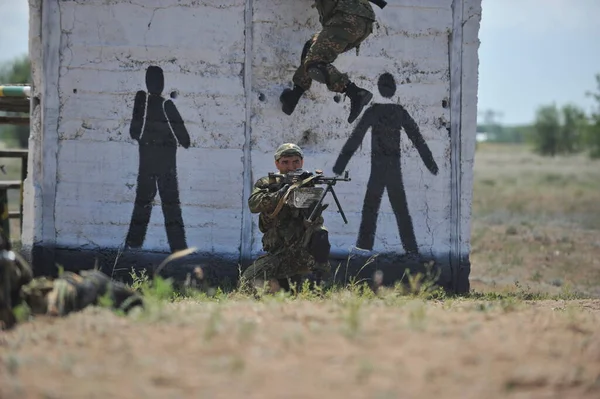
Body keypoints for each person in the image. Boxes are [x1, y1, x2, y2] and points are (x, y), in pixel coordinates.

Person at [240, 143, 332, 293]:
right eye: (285, 162)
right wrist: (280, 193)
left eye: (296, 161)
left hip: (303, 255)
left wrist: (307, 194)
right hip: (278, 254)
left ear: (302, 162)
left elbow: (314, 222)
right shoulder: (267, 183)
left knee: (321, 236)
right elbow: (253, 204)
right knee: (246, 284)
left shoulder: (308, 184)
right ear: (277, 163)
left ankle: (317, 284)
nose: (291, 167)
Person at [280, 0, 376, 124]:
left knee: (315, 63)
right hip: (363, 22)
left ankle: (354, 92)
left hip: (347, 17)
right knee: (312, 46)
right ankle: (295, 95)